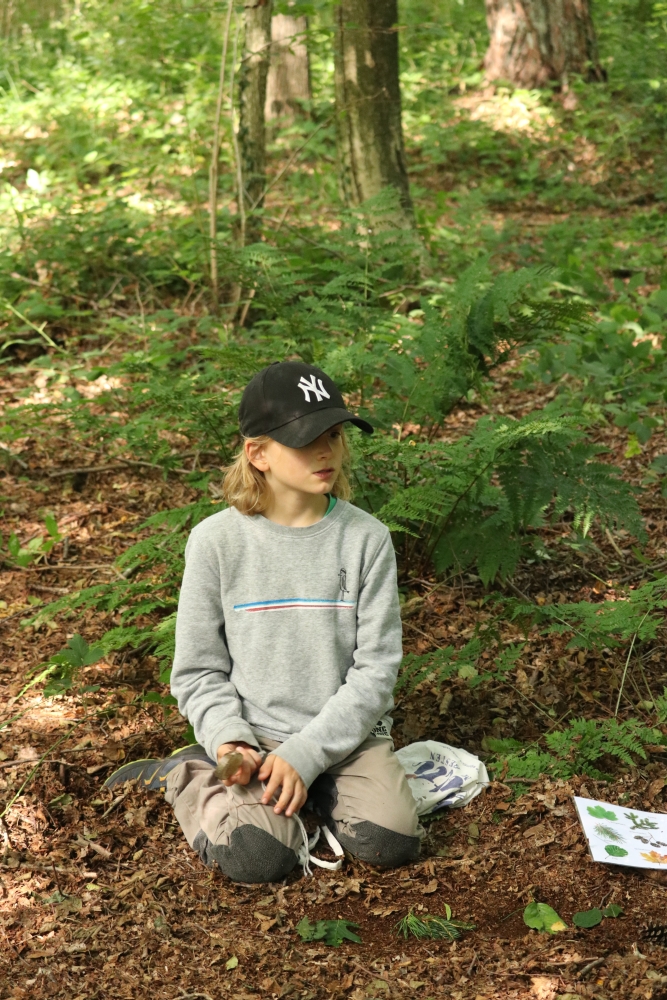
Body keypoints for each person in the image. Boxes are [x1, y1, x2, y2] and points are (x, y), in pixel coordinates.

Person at [105, 361, 421, 882]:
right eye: (306, 439)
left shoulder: (366, 539)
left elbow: (376, 672)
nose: (327, 451)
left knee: (390, 842)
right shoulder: (217, 543)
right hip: (253, 738)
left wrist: (308, 754)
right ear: (258, 453)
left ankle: (317, 788)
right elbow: (198, 671)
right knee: (259, 860)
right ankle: (190, 772)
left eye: (336, 435)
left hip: (345, 738)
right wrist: (231, 739)